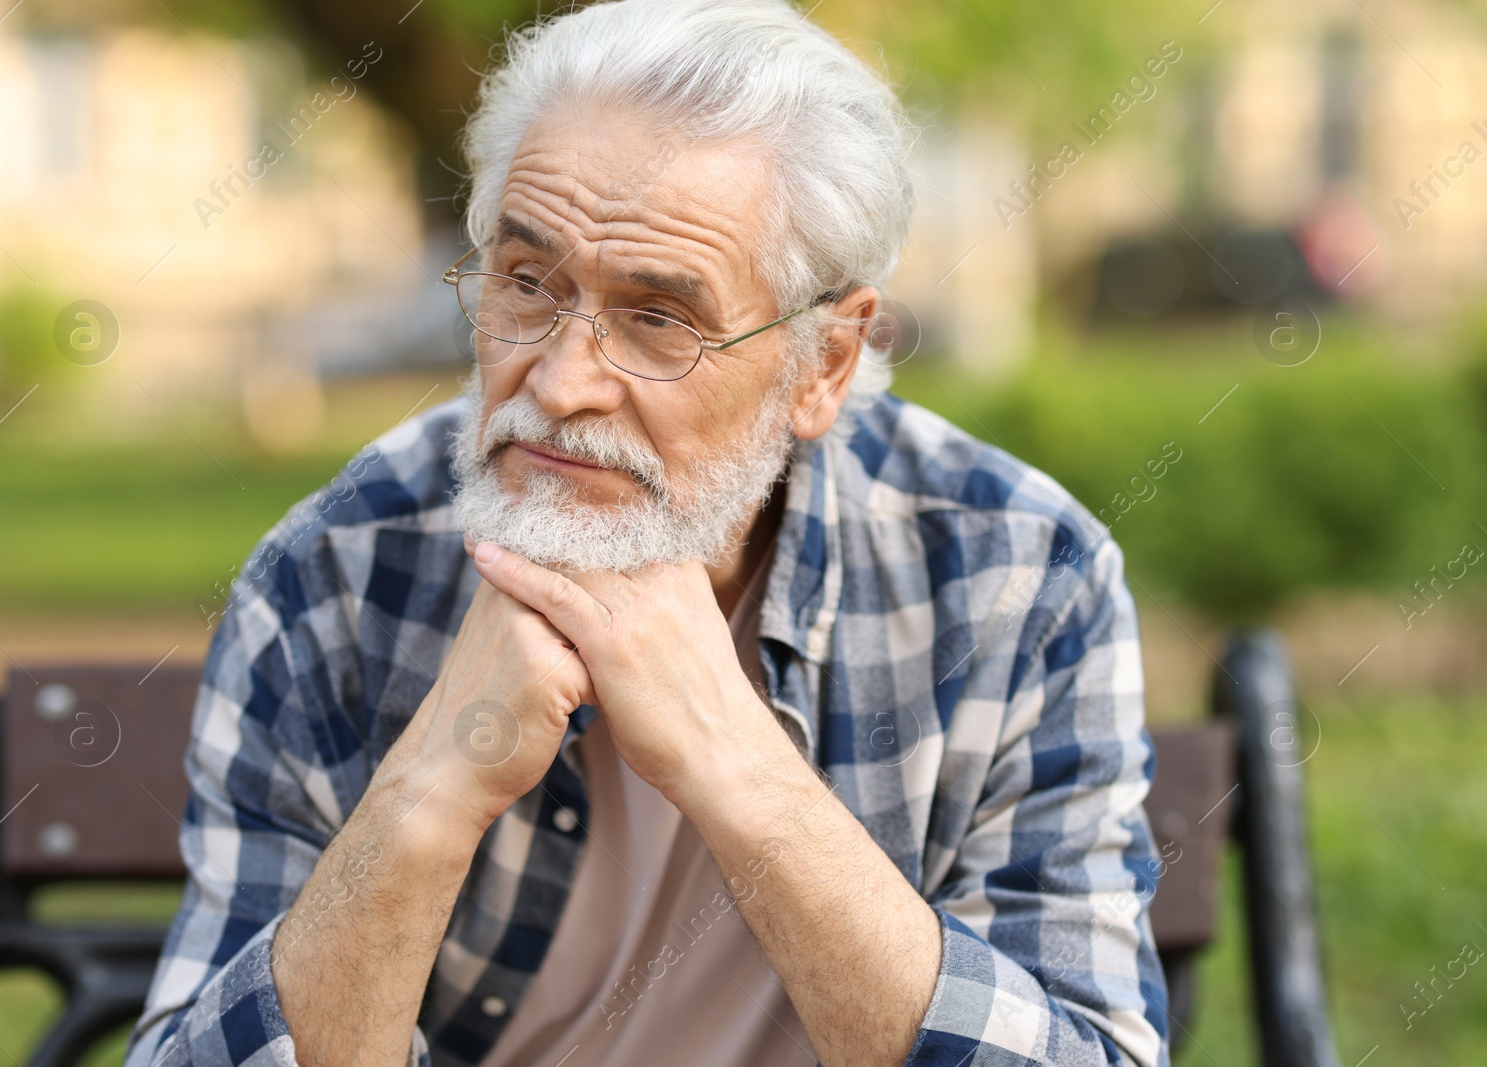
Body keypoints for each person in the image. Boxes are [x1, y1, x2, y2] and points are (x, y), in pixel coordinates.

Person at [127, 1, 1169, 1064]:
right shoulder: (336, 573)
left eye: (658, 319)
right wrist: (430, 790)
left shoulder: (1019, 577)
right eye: (527, 285)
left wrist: (734, 765)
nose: (564, 381)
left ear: (823, 364)